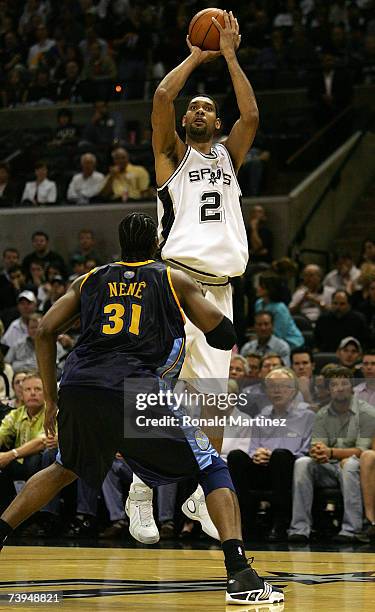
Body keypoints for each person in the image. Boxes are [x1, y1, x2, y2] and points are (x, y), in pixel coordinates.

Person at [0, 213, 283, 606]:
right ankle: (241, 575)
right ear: (157, 243)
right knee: (212, 465)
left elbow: (45, 330)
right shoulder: (171, 277)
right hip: (135, 387)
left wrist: (51, 399)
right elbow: (223, 335)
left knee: (65, 467)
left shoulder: (90, 279)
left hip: (80, 384)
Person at [132, 9, 260, 543]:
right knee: (152, 392)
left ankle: (199, 492)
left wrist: (229, 56)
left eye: (210, 107)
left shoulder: (229, 157)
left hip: (223, 290)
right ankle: (141, 490)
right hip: (177, 284)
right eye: (197, 108)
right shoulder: (170, 159)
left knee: (213, 400)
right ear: (186, 123)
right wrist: (196, 55)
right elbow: (162, 99)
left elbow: (250, 115)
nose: (202, 110)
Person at [288, 367, 375, 543]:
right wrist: (318, 452)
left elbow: (362, 451)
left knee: (350, 464)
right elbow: (317, 445)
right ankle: (300, 528)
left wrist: (331, 452)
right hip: (328, 466)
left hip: (357, 467)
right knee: (303, 463)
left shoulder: (367, 413)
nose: (340, 388)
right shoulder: (322, 414)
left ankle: (351, 529)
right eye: (334, 384)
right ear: (328, 389)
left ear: (352, 387)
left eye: (344, 383)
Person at [228, 367, 314, 542]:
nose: (277, 390)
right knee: (236, 456)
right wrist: (257, 455)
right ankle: (248, 523)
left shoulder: (307, 417)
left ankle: (279, 523)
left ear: (294, 390)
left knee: (281, 456)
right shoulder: (260, 417)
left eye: (283, 386)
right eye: (272, 386)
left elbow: (306, 450)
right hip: (262, 468)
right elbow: (252, 448)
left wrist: (274, 455)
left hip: (289, 468)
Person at [255, 272, 304, 349]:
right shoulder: (258, 303)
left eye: (261, 286)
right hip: (267, 342)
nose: (257, 287)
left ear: (269, 289)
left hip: (291, 343)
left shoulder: (280, 308)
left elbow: (279, 334)